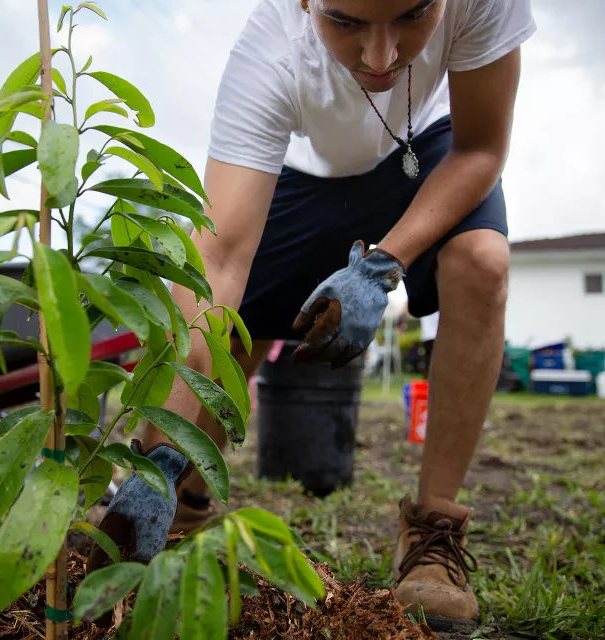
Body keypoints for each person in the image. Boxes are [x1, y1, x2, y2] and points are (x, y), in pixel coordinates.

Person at [89, 0, 535, 631]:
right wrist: (154, 450)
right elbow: (216, 265)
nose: (382, 57)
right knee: (234, 327)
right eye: (346, 22)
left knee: (482, 263)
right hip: (302, 174)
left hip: (432, 152)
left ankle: (434, 534)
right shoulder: (272, 52)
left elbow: (482, 148)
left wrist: (384, 265)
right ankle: (180, 493)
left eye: (414, 15)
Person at [420, 310, 440, 377]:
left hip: (426, 336)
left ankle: (428, 377)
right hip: (435, 336)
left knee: (428, 359)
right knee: (435, 360)